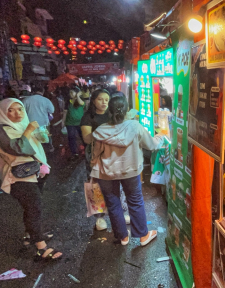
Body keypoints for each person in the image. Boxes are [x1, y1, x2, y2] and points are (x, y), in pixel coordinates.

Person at [0, 98, 62, 261]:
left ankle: (31, 234)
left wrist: (40, 135)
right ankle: (41, 248)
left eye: (20, 109)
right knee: (33, 208)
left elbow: (33, 145)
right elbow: (17, 148)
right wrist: (29, 130)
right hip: (17, 176)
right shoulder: (0, 130)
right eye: (11, 110)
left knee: (32, 208)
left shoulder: (21, 125)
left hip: (32, 173)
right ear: (3, 112)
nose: (17, 113)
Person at [90, 96, 164, 246]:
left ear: (109, 111)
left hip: (106, 173)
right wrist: (160, 137)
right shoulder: (135, 127)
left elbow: (94, 154)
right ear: (126, 110)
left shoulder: (101, 130)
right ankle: (143, 236)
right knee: (135, 200)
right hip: (130, 171)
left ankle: (122, 237)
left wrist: (93, 168)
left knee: (113, 203)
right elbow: (151, 145)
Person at [81, 89, 130, 230]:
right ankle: (99, 218)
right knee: (95, 185)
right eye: (100, 99)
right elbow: (87, 138)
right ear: (93, 100)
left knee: (117, 184)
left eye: (107, 100)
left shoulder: (112, 115)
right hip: (95, 156)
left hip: (113, 155)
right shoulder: (88, 117)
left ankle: (120, 212)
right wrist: (105, 131)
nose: (104, 103)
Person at [22, 84, 55, 152]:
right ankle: (48, 151)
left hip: (30, 124)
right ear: (42, 92)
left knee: (32, 141)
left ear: (33, 91)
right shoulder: (46, 100)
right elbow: (52, 110)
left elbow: (22, 111)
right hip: (43, 123)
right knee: (45, 139)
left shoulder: (26, 100)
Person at [62, 86, 85, 156]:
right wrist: (63, 121)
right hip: (70, 123)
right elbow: (65, 112)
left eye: (72, 92)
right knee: (71, 137)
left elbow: (82, 104)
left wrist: (77, 96)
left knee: (83, 136)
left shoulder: (80, 100)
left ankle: (87, 149)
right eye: (70, 93)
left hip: (80, 122)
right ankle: (74, 152)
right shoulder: (68, 102)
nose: (71, 94)